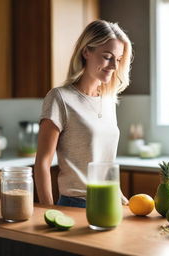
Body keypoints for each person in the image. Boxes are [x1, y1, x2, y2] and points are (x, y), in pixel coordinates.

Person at [34, 20, 133, 208]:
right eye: (107, 56)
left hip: (109, 202)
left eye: (118, 59)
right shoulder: (60, 98)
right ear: (86, 51)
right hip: (76, 204)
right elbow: (42, 163)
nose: (113, 65)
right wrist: (48, 211)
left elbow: (105, 162)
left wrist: (122, 200)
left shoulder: (108, 100)